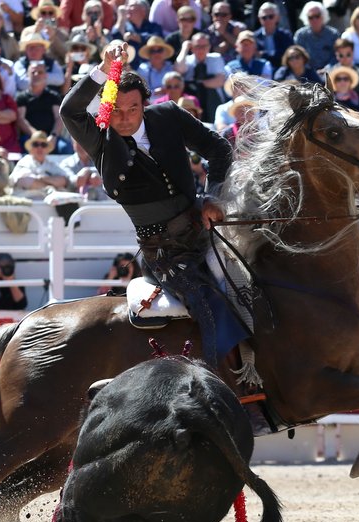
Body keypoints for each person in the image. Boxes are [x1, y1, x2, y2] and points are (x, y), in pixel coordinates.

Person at [61, 40, 237, 366]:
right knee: (208, 305)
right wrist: (105, 68)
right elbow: (69, 109)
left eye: (133, 109)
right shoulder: (100, 139)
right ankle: (221, 390)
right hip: (164, 251)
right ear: (106, 108)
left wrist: (213, 195)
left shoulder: (168, 115)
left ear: (145, 104)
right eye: (116, 110)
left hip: (206, 229)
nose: (124, 119)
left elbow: (219, 149)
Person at [16, 61, 66, 151]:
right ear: (28, 75)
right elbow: (21, 120)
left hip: (51, 137)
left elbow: (58, 118)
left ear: (46, 75)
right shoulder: (21, 97)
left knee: (65, 148)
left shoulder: (53, 96)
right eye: (33, 72)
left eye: (40, 72)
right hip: (30, 137)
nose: (36, 74)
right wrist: (37, 136)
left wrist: (53, 136)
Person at [175, 32, 225, 122]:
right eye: (197, 46)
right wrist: (184, 49)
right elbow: (178, 70)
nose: (201, 50)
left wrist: (197, 83)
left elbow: (219, 81)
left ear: (209, 47)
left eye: (204, 46)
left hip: (213, 101)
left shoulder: (216, 58)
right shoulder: (188, 60)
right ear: (192, 48)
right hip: (193, 102)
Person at [10, 130, 69, 196]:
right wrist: (51, 184)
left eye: (43, 145)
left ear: (47, 149)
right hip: (26, 201)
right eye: (35, 144)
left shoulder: (52, 164)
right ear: (31, 148)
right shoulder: (24, 161)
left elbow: (63, 181)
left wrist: (42, 178)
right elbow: (25, 180)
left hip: (49, 202)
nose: (39, 147)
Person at [252, 2, 292, 68]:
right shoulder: (254, 37)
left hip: (281, 71)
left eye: (271, 17)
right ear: (259, 19)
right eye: (264, 17)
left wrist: (264, 54)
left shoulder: (286, 35)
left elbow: (287, 56)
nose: (267, 20)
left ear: (278, 18)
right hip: (260, 72)